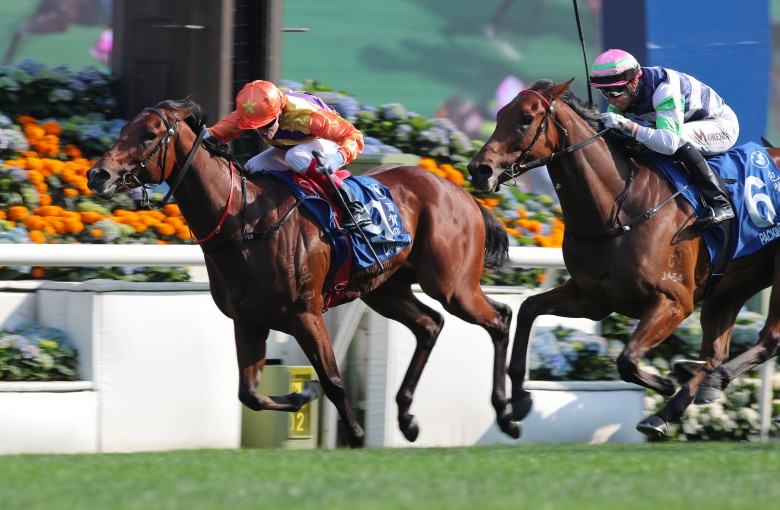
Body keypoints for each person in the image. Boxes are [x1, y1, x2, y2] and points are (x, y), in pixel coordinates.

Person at [590, 49, 738, 228]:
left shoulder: (664, 89)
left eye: (615, 91)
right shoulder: (624, 95)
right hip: (684, 123)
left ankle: (720, 202)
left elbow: (669, 144)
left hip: (720, 125)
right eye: (605, 92)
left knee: (678, 138)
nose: (611, 100)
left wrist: (627, 126)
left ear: (634, 82)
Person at [206, 80, 370, 230]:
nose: (263, 132)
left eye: (267, 125)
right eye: (256, 127)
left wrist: (338, 157)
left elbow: (353, 136)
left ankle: (352, 204)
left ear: (279, 112)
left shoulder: (306, 116)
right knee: (252, 167)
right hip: (293, 147)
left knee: (295, 156)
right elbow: (214, 134)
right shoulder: (252, 112)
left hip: (328, 144)